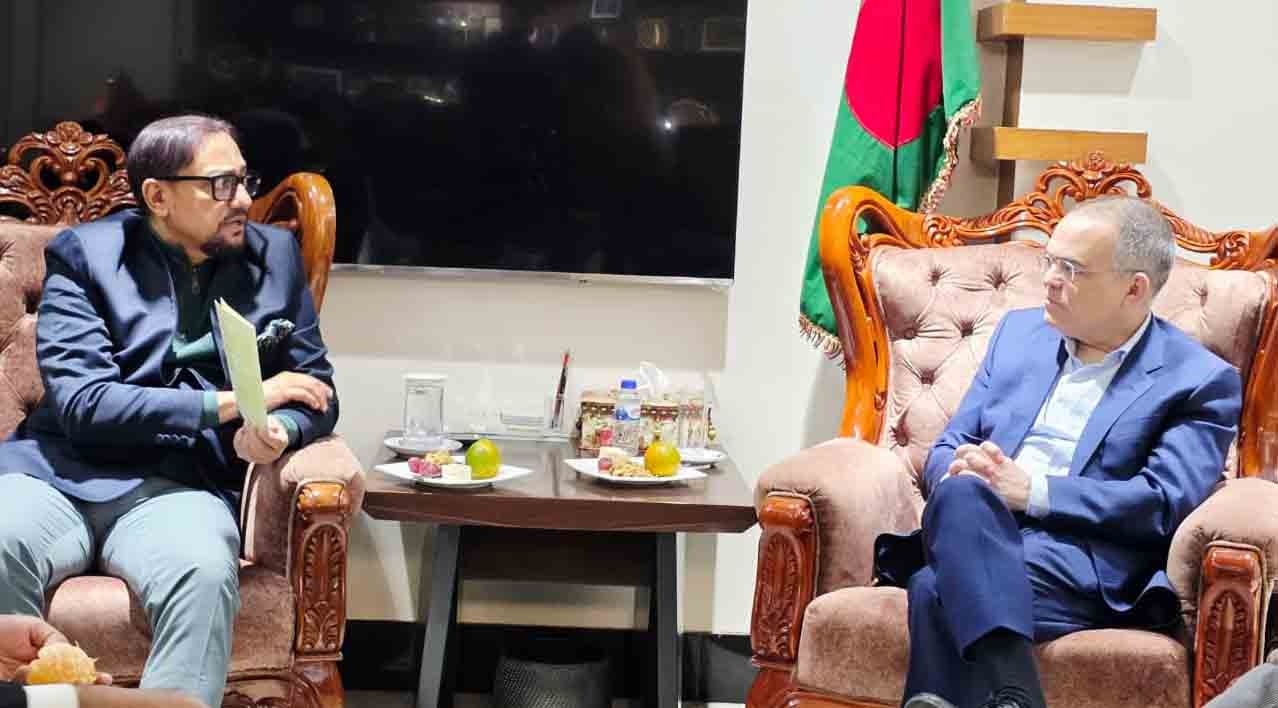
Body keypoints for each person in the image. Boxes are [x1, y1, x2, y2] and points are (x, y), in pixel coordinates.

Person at [0, 114, 339, 707]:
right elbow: (85, 404)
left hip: (181, 486)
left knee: (202, 570)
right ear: (158, 196)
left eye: (245, 179)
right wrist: (233, 403)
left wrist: (277, 430)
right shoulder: (87, 255)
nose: (244, 199)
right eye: (221, 184)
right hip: (57, 475)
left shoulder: (276, 256)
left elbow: (316, 390)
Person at [883, 196, 1242, 708]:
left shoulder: (1199, 380)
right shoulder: (1018, 334)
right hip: (975, 525)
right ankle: (1017, 695)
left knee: (933, 587)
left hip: (1083, 558)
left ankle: (1012, 692)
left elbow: (1163, 501)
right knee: (960, 495)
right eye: (1049, 261)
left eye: (1071, 270)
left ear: (1134, 288)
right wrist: (962, 473)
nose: (1050, 280)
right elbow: (950, 443)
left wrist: (1032, 491)